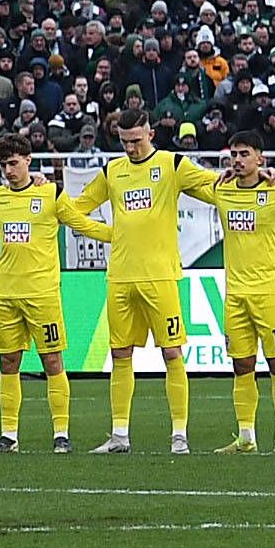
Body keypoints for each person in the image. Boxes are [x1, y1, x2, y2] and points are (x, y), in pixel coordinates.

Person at [69, 107, 217, 454]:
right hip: (120, 276)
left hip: (160, 276)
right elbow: (76, 209)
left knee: (171, 353)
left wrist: (249, 181)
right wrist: (109, 234)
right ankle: (120, 435)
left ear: (150, 133)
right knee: (120, 354)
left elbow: (213, 190)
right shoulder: (113, 171)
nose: (130, 148)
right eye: (124, 142)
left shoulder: (172, 164)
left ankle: (179, 434)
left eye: (136, 141)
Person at [0, 135, 115, 451]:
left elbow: (82, 224)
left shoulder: (50, 193)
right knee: (8, 363)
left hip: (42, 295)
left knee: (52, 361)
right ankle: (9, 435)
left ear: (28, 160)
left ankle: (61, 434)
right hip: (6, 294)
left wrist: (121, 235)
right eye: (3, 165)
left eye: (13, 163)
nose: (8, 170)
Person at [208, 130, 275, 454]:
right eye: (233, 154)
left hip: (271, 292)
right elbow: (187, 181)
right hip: (235, 294)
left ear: (260, 158)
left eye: (244, 154)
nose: (237, 160)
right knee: (242, 365)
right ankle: (246, 436)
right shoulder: (221, 190)